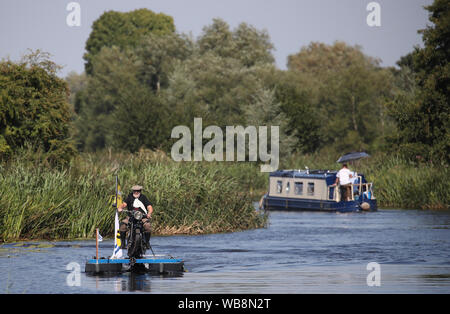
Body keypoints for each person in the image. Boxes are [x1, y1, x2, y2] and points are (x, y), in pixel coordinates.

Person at [117, 185, 153, 250]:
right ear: (133, 191)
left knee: (147, 226)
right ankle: (123, 243)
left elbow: (149, 207)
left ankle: (147, 243)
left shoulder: (143, 197)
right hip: (131, 216)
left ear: (140, 191)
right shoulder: (129, 197)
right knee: (122, 226)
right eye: (135, 191)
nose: (136, 192)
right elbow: (124, 204)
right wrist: (120, 208)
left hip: (142, 216)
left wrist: (149, 213)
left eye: (138, 191)